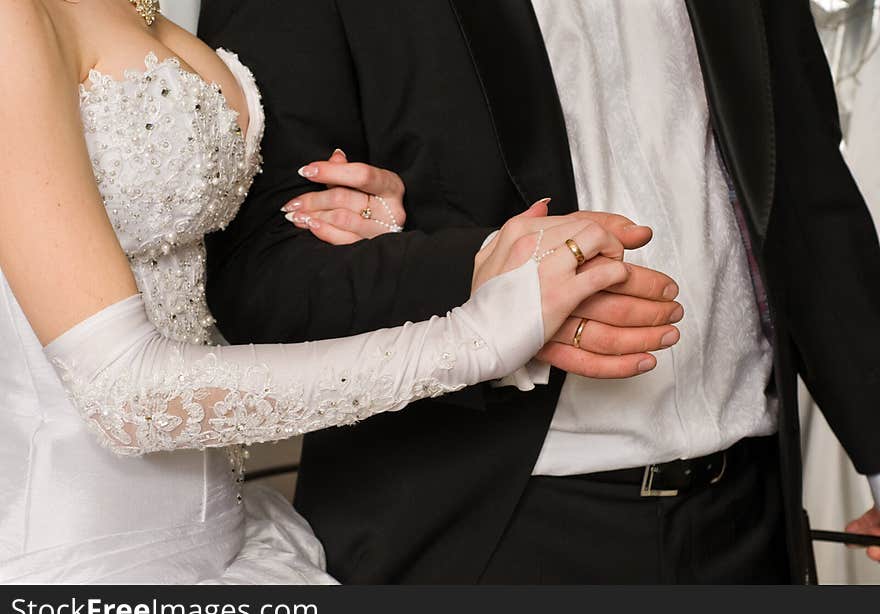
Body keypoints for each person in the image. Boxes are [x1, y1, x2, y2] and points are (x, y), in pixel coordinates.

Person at [199, 0, 880, 584]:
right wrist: (487, 278)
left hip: (751, 521)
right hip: (485, 534)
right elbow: (259, 270)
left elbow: (806, 192)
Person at [0, 0, 668, 584]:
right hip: (88, 563)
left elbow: (212, 263)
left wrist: (362, 227)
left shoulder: (136, 4)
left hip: (226, 545)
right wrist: (471, 339)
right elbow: (124, 395)